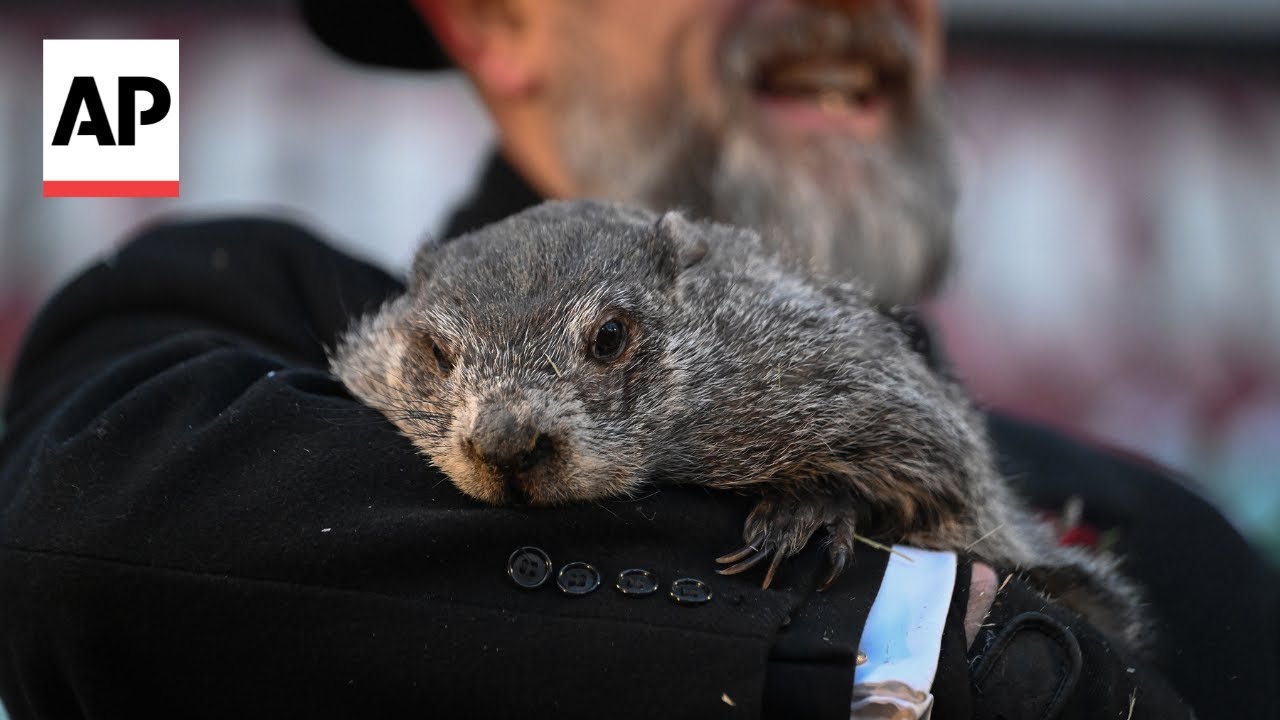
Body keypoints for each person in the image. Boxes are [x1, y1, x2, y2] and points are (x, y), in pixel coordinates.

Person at [0, 0, 1272, 717]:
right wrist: (921, 642)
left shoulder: (1169, 544)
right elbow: (100, 538)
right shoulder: (235, 324)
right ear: (493, 18)